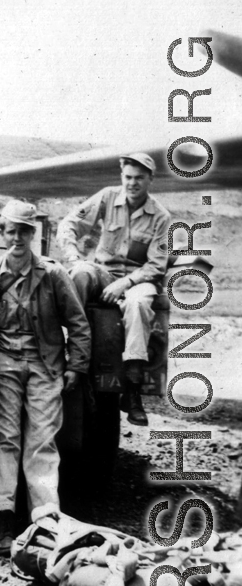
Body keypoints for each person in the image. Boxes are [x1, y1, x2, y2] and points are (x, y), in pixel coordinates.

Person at [0, 200, 91, 554]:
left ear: (33, 234)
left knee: (42, 441)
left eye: (24, 231)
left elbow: (78, 323)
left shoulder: (53, 274)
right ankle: (3, 519)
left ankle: (45, 522)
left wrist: (77, 366)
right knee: (3, 437)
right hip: (4, 363)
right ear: (2, 232)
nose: (17, 238)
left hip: (45, 364)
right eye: (11, 230)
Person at [57, 153, 171, 427]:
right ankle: (67, 352)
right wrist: (73, 259)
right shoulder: (107, 197)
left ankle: (132, 391)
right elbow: (69, 224)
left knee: (139, 302)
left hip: (138, 279)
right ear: (122, 177)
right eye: (128, 177)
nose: (132, 184)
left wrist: (126, 282)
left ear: (150, 180)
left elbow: (156, 265)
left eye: (139, 178)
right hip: (104, 272)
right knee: (81, 275)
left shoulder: (161, 217)